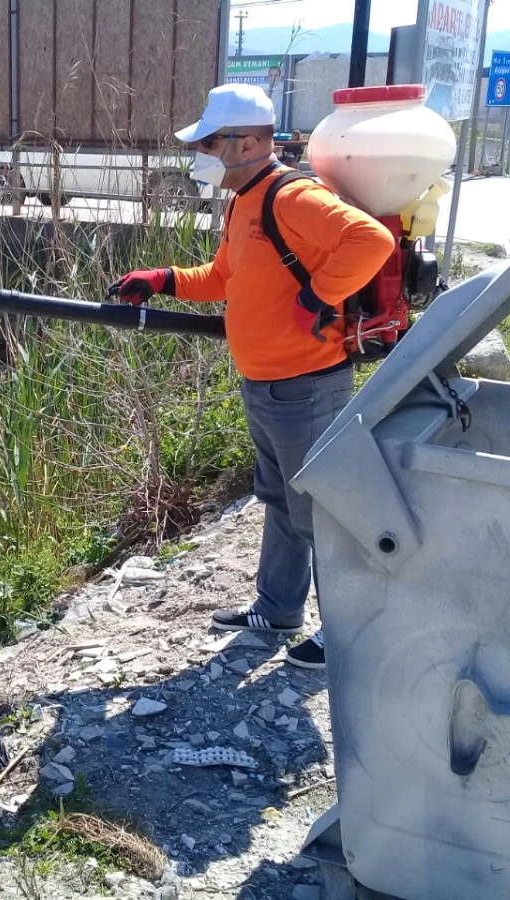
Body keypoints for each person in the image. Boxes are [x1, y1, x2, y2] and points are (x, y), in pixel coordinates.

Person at [107, 84, 394, 670]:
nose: (205, 152)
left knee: (321, 513)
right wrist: (162, 279)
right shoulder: (243, 201)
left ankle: (351, 633)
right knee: (283, 503)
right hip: (265, 382)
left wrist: (320, 293)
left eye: (212, 142)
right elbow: (223, 277)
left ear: (251, 141)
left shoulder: (289, 197)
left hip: (306, 383)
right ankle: (279, 608)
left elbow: (372, 240)